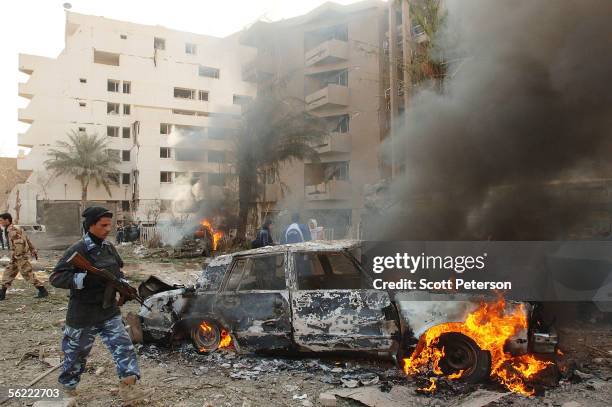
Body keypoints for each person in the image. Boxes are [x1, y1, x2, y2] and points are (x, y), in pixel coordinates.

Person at [49, 206, 153, 403]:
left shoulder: (109, 248)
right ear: (90, 226)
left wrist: (124, 288)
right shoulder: (78, 250)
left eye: (109, 225)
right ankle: (68, 390)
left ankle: (129, 388)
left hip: (108, 311)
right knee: (76, 355)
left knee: (124, 347)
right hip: (83, 313)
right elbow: (56, 277)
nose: (108, 229)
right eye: (103, 225)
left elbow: (117, 273)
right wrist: (83, 279)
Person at [0, 213, 48, 300]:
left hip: (19, 257)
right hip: (16, 257)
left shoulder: (13, 230)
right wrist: (33, 249)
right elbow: (27, 239)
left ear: (7, 220)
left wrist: (18, 256)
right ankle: (2, 293)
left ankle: (42, 290)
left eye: (1, 220)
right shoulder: (12, 228)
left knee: (27, 274)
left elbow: (20, 243)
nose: (0, 222)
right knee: (8, 273)